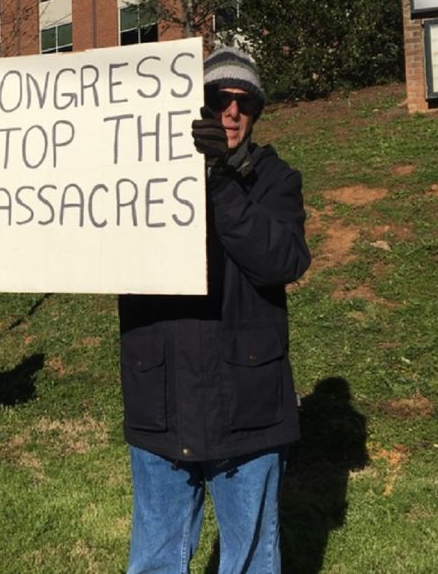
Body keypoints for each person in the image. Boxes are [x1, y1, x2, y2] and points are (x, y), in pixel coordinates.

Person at [117, 45, 310, 574]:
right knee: (155, 560)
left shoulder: (275, 179)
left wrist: (221, 180)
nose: (230, 112)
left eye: (244, 103)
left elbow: (283, 260)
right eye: (217, 98)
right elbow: (75, 240)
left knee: (250, 562)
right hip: (159, 398)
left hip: (248, 406)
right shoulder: (135, 177)